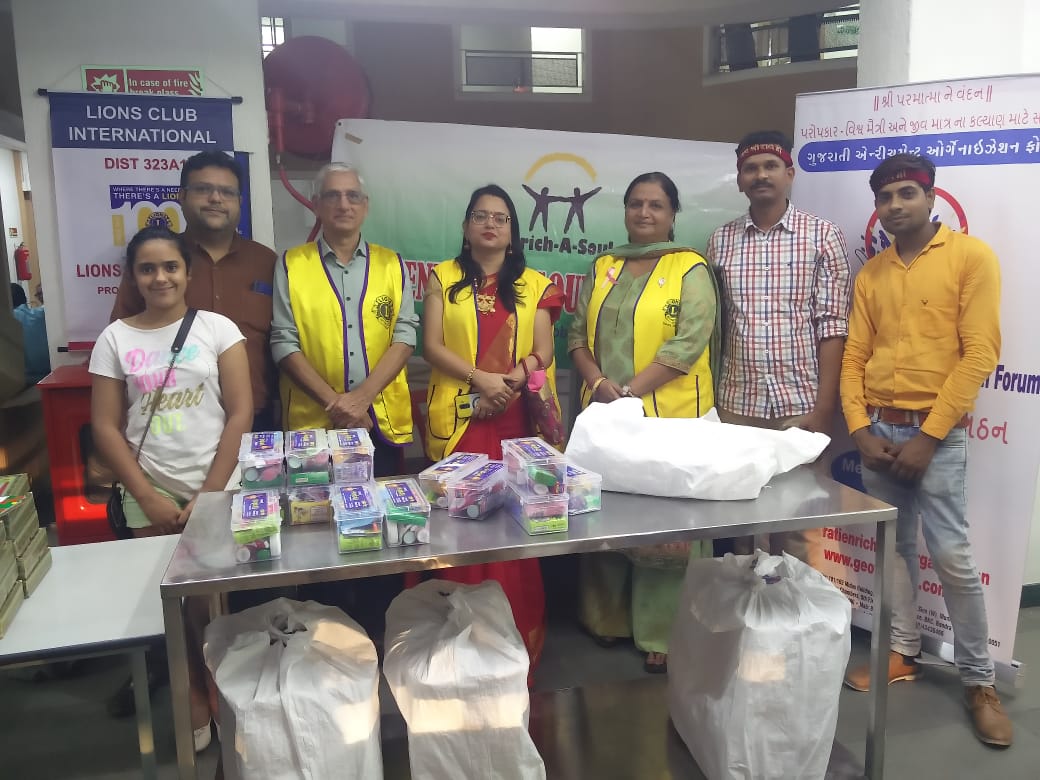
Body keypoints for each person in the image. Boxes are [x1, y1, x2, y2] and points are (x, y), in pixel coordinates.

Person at [840, 154, 1011, 747]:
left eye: (906, 194)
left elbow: (980, 353)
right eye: (885, 198)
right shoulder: (872, 274)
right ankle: (903, 651)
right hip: (878, 435)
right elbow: (855, 357)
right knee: (893, 550)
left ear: (932, 196)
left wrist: (929, 437)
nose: (895, 207)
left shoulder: (971, 257)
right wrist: (860, 428)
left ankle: (978, 680)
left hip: (936, 435)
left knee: (953, 558)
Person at [90, 226, 253, 751]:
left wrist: (209, 493)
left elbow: (240, 413)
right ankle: (192, 700)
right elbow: (106, 427)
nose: (160, 278)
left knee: (214, 609)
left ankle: (223, 695)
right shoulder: (116, 338)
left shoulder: (218, 329)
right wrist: (146, 495)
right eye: (147, 268)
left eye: (170, 267)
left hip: (215, 489)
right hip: (148, 491)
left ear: (187, 272)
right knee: (168, 611)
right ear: (133, 276)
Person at [568, 171, 719, 673]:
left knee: (664, 525)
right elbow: (576, 334)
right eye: (636, 204)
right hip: (608, 416)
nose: (644, 213)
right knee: (610, 516)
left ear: (673, 214)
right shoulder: (604, 265)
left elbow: (688, 342)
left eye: (656, 205)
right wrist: (597, 383)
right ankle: (607, 619)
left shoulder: (690, 268)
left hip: (668, 419)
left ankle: (664, 632)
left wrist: (631, 391)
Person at [421, 184, 564, 670]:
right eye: (480, 215)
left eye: (500, 218)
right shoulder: (442, 279)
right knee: (457, 527)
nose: (490, 224)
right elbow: (432, 347)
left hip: (515, 422)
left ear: (512, 231)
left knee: (512, 528)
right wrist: (480, 380)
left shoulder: (536, 284)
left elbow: (544, 350)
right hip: (460, 420)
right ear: (465, 227)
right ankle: (456, 642)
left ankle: (513, 643)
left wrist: (510, 382)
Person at [707, 130, 851, 561]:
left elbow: (833, 328)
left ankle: (797, 622)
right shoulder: (721, 242)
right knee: (741, 524)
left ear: (790, 173)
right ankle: (747, 622)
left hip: (802, 403)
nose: (760, 175)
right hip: (737, 403)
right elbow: (718, 329)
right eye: (750, 168)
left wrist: (824, 409)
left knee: (801, 524)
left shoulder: (823, 236)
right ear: (739, 180)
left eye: (770, 166)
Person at [110, 150, 278, 430]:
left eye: (227, 192)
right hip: (172, 423)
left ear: (240, 201)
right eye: (203, 189)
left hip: (256, 421)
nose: (216, 198)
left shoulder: (266, 262)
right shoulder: (158, 265)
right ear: (182, 196)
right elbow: (121, 344)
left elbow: (282, 341)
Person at [271, 162, 416, 475]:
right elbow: (283, 342)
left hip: (377, 421)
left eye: (353, 196)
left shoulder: (391, 263)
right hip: (314, 426)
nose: (344, 204)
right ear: (316, 205)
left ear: (365, 206)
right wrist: (337, 406)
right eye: (332, 196)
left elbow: (405, 336)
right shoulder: (291, 264)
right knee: (314, 515)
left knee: (382, 515)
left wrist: (361, 399)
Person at [10, 283, 50, 384]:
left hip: (25, 382)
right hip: (50, 375)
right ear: (25, 298)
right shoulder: (44, 314)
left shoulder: (10, 319)